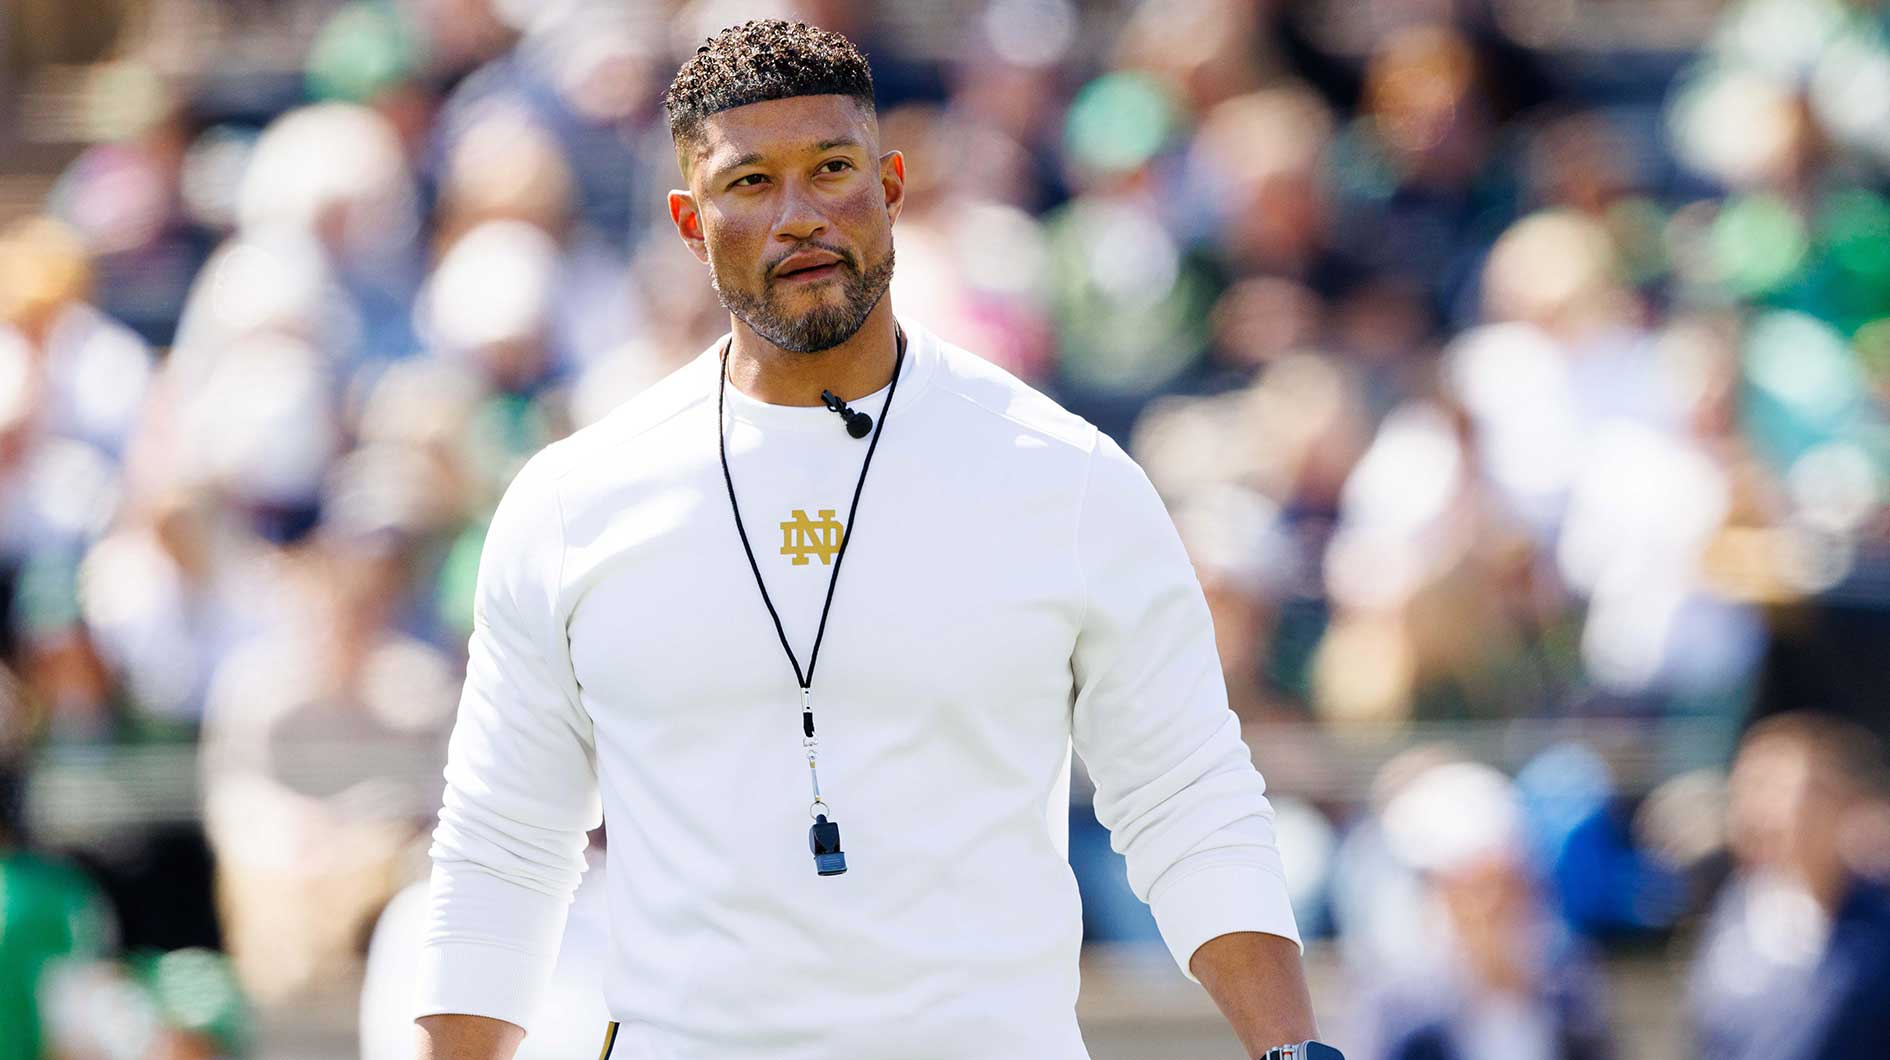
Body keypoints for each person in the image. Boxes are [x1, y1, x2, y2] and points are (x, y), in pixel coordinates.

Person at [414, 20, 1322, 1060]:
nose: (799, 214)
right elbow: (504, 847)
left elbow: (1187, 795)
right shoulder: (575, 504)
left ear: (891, 187)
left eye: (832, 169)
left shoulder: (1066, 477)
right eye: (750, 182)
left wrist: (1292, 1050)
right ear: (689, 224)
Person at [1689, 712, 1890, 1060]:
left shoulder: (1874, 924)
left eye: (1784, 790)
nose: (1765, 809)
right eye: (1752, 787)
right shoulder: (1736, 911)